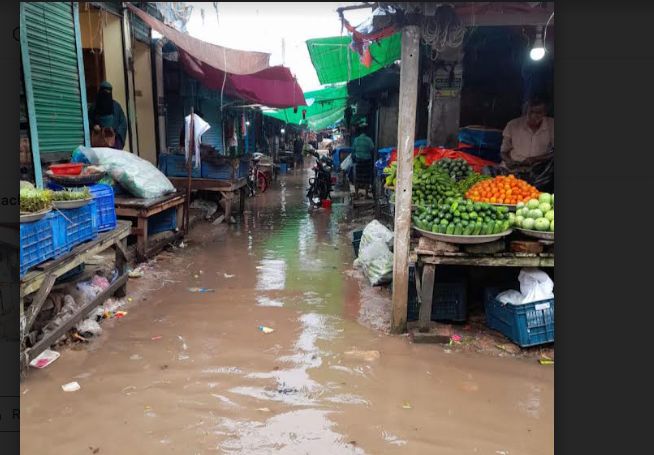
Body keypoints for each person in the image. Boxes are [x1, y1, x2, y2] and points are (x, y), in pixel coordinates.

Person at [494, 96, 554, 191]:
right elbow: (503, 152)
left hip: (539, 170)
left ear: (544, 113)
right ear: (525, 111)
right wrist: (509, 161)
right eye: (530, 112)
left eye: (538, 113)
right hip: (514, 168)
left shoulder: (552, 125)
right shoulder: (512, 125)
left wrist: (534, 159)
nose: (533, 116)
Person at [88, 81, 128, 150]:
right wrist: (94, 126)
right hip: (98, 145)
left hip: (114, 144)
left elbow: (123, 124)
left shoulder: (116, 107)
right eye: (104, 91)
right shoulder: (93, 107)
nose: (106, 94)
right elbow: (88, 120)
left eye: (108, 92)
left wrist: (116, 136)